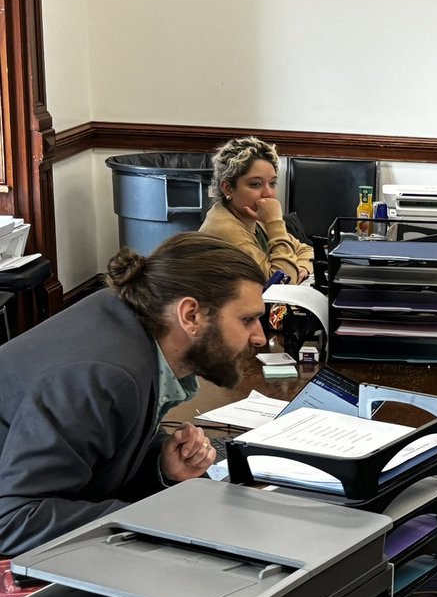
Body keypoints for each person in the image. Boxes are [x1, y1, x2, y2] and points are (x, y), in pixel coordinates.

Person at [0, 232, 268, 555]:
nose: (260, 337)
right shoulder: (107, 376)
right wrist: (155, 519)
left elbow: (90, 452)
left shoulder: (125, 319)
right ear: (190, 315)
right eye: (248, 319)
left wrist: (160, 466)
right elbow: (14, 521)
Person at [200, 136, 314, 285]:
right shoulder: (225, 229)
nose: (268, 193)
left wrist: (302, 267)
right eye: (255, 184)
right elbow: (282, 286)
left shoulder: (251, 216)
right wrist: (275, 222)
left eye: (272, 183)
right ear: (227, 188)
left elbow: (306, 250)